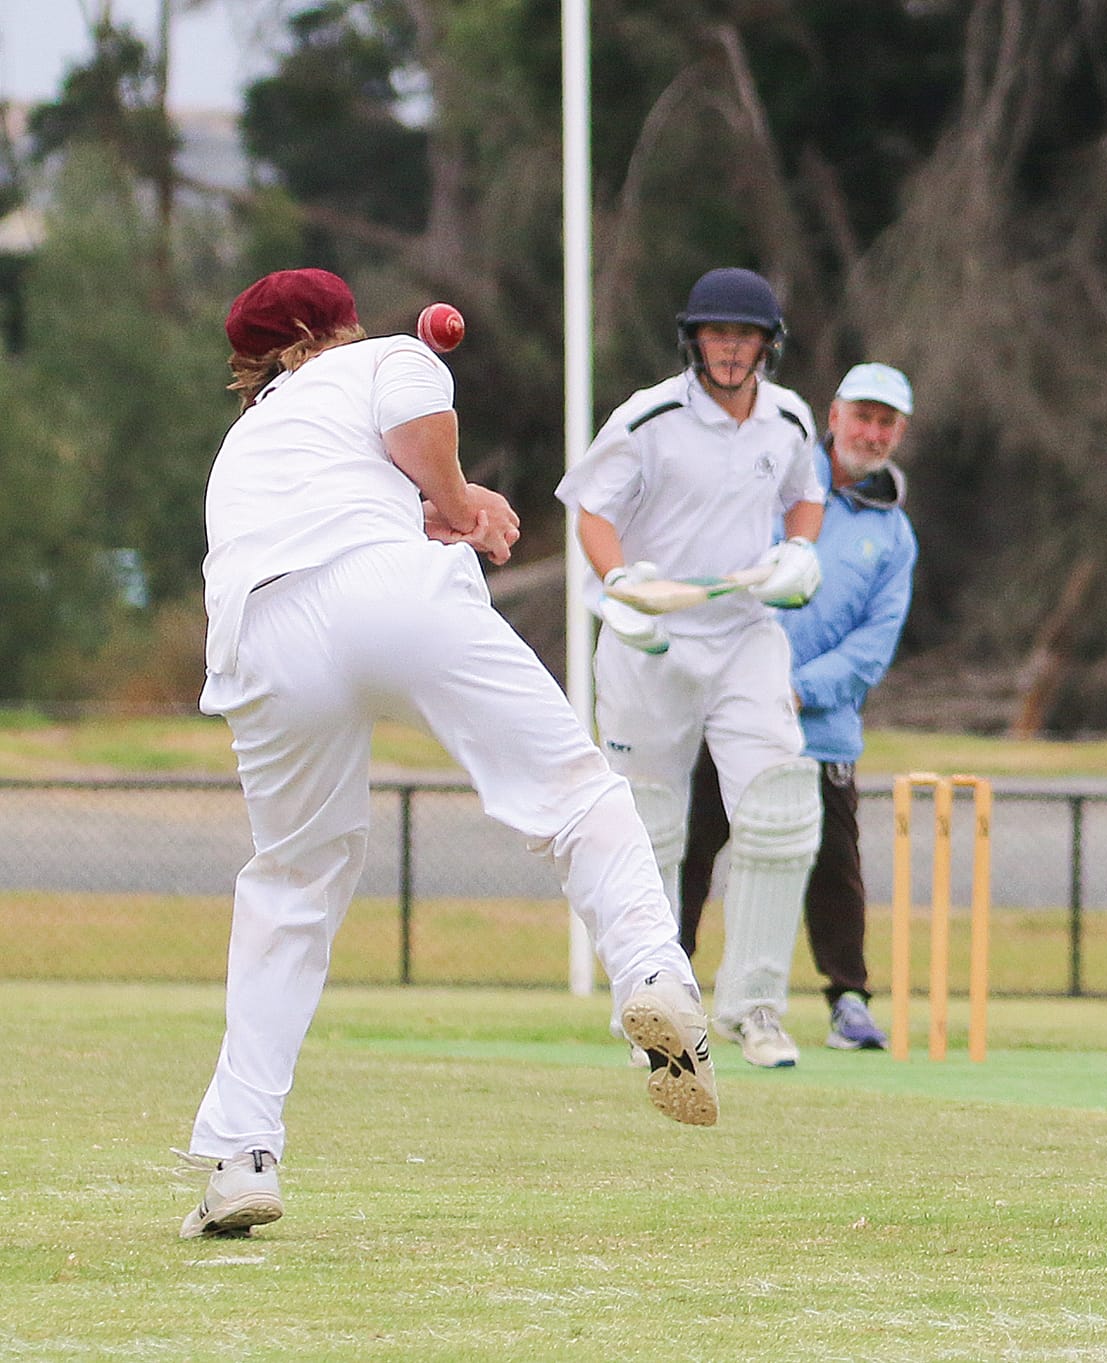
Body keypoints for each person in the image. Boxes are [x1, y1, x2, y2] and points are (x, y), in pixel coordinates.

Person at [180, 269, 716, 1241]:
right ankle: (652, 973)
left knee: (291, 886)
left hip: (259, 639)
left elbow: (349, 497)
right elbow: (417, 424)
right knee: (571, 791)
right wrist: (461, 503)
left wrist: (437, 505)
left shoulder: (244, 443)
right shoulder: (389, 355)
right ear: (339, 324)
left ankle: (241, 1156)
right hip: (387, 591)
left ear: (250, 364)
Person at [558, 267, 826, 1069]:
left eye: (745, 336)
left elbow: (805, 494)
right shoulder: (649, 417)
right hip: (654, 635)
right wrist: (620, 581)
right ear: (694, 341)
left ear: (768, 345)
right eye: (717, 334)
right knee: (644, 823)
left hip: (745, 630)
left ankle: (755, 1007)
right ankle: (652, 1006)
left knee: (779, 807)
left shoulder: (789, 418)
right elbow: (593, 511)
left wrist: (799, 547)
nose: (731, 349)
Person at [677, 362, 921, 1051]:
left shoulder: (893, 534)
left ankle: (848, 999)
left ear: (899, 433)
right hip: (730, 711)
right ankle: (666, 981)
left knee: (833, 867)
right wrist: (749, 679)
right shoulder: (780, 477)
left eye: (886, 423)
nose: (872, 432)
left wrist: (796, 688)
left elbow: (872, 645)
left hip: (821, 728)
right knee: (694, 849)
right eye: (862, 416)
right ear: (834, 415)